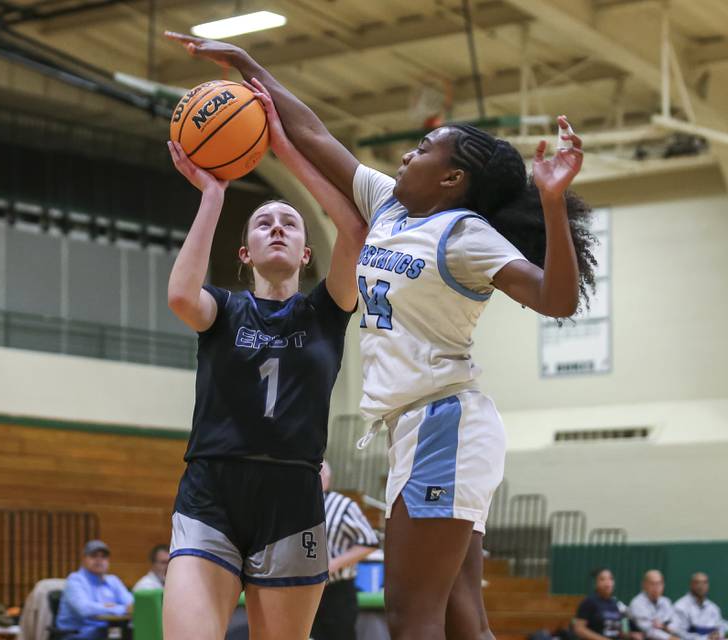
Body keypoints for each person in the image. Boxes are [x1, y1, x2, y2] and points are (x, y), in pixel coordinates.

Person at [164, 31, 597, 640]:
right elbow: (315, 135)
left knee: (410, 617)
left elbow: (557, 298)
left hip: (446, 419)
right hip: (415, 427)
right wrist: (247, 67)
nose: (405, 157)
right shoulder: (389, 204)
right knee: (459, 616)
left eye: (423, 150)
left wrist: (552, 202)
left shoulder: (464, 235)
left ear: (452, 180)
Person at [160, 81, 367, 640]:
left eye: (290, 222)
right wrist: (212, 196)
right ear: (245, 252)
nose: (276, 224)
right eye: (263, 223)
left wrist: (283, 148)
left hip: (293, 497)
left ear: (305, 253)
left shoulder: (327, 310)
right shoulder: (223, 311)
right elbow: (181, 295)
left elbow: (355, 226)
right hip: (212, 488)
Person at [311, 460, 379, 640]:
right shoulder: (294, 505)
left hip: (336, 592)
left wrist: (331, 565)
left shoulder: (343, 505)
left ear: (327, 477)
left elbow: (369, 542)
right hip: (302, 590)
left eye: (318, 472)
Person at [56, 540, 133, 640]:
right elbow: (84, 609)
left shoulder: (113, 580)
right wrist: (119, 608)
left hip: (106, 632)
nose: (99, 560)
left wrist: (110, 607)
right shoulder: (75, 580)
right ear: (84, 559)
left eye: (103, 557)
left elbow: (131, 604)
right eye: (93, 556)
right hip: (78, 634)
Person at [573, 568, 640, 640]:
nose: (607, 582)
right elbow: (579, 629)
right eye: (602, 579)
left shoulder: (615, 604)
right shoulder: (589, 602)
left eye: (611, 579)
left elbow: (615, 632)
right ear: (596, 583)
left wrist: (631, 635)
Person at [673, 573, 725, 640]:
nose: (701, 586)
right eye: (697, 582)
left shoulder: (714, 608)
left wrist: (718, 634)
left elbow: (721, 627)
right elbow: (679, 634)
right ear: (691, 585)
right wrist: (706, 638)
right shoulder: (680, 606)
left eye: (704, 582)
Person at [629, 570, 679, 640]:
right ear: (644, 585)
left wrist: (664, 627)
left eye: (659, 583)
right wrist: (670, 638)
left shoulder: (666, 602)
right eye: (652, 584)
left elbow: (675, 624)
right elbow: (648, 631)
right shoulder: (637, 603)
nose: (656, 587)